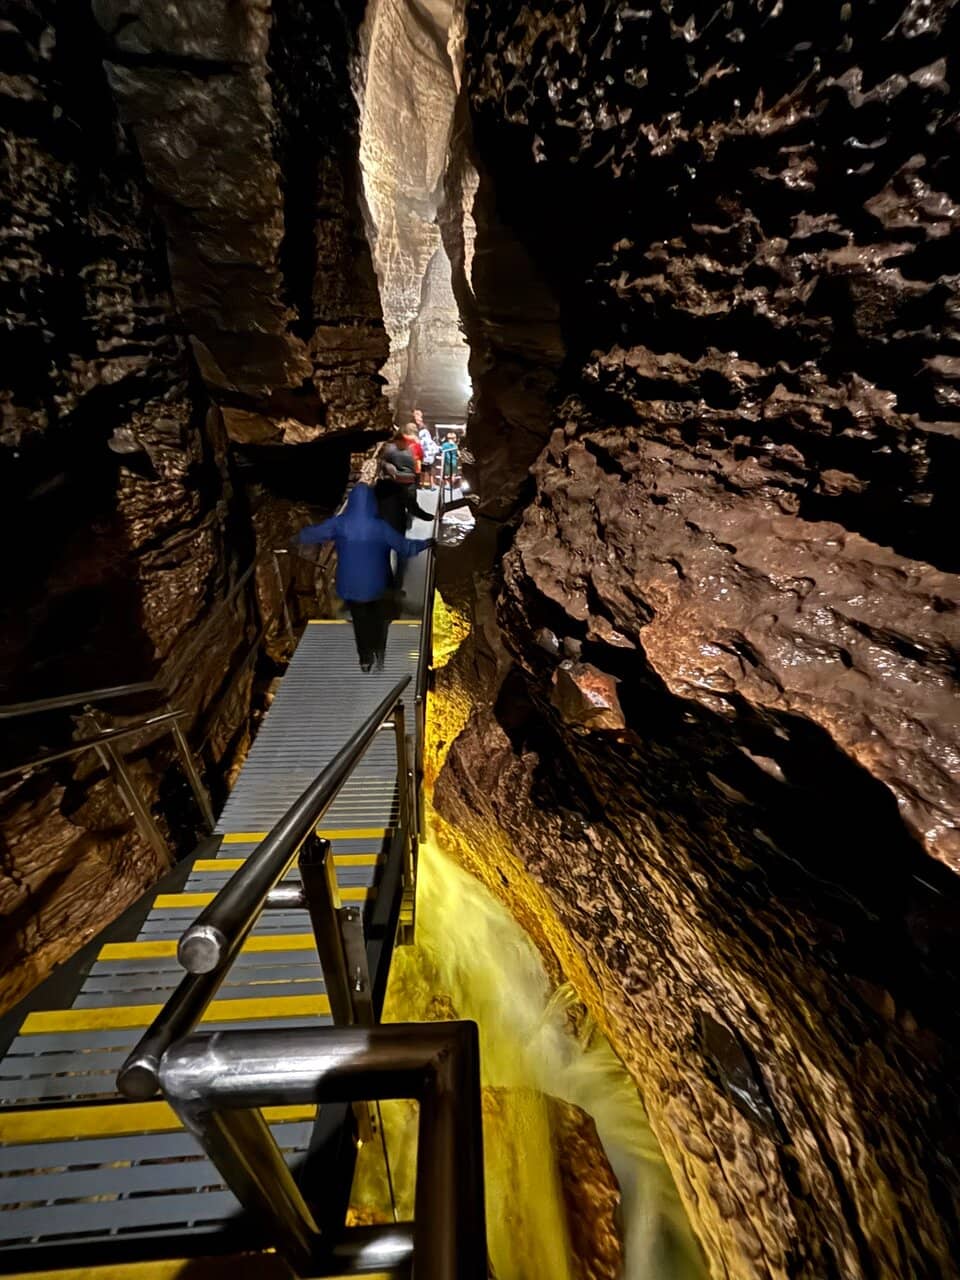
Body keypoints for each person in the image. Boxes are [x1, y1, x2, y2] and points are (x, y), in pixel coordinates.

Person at [297, 484, 431, 671]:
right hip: (376, 586)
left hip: (350, 586)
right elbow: (405, 547)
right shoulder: (380, 527)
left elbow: (315, 533)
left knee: (360, 620)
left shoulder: (341, 524)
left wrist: (297, 537)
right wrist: (427, 543)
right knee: (377, 617)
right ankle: (378, 649)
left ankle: (365, 658)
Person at [414, 410, 438, 488]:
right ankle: (422, 484)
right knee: (423, 472)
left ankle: (429, 484)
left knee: (428, 472)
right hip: (423, 457)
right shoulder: (420, 434)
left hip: (427, 457)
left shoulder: (426, 435)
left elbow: (432, 446)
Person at [440, 431, 459, 495]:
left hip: (446, 462)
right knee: (453, 474)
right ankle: (451, 486)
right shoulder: (455, 445)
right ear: (454, 438)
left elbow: (441, 451)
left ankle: (447, 485)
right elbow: (457, 454)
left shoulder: (444, 445)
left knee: (446, 474)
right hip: (454, 461)